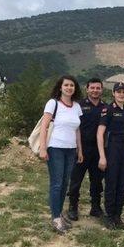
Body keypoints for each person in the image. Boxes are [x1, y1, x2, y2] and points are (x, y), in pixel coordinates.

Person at [39, 75, 83, 234]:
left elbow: (77, 130)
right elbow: (44, 126)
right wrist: (43, 148)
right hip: (55, 148)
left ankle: (59, 213)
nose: (69, 88)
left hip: (70, 149)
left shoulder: (77, 106)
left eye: (72, 85)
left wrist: (80, 149)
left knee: (65, 183)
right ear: (60, 87)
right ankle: (55, 217)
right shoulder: (53, 104)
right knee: (56, 183)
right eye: (66, 85)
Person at [97, 82, 124, 230]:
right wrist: (102, 156)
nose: (121, 94)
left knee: (122, 184)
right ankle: (109, 216)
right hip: (112, 148)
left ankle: (117, 216)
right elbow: (100, 133)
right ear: (113, 93)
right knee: (111, 183)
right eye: (119, 91)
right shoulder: (107, 109)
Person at [66, 77, 107, 220]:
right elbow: (75, 127)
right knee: (76, 179)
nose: (95, 90)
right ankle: (73, 207)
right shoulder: (79, 105)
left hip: (99, 150)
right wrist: (78, 148)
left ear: (102, 90)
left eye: (98, 88)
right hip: (81, 148)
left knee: (97, 181)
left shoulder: (105, 107)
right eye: (92, 88)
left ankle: (95, 207)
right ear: (87, 89)